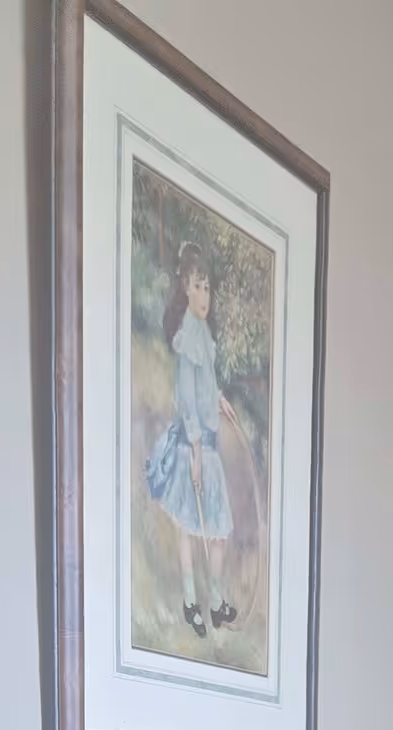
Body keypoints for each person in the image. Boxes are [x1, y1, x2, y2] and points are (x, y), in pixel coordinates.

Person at [143, 242, 240, 641]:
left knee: (217, 532)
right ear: (185, 287)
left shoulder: (202, 333)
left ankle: (215, 603)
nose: (205, 295)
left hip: (207, 446)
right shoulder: (188, 337)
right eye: (198, 286)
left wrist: (220, 399)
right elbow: (185, 398)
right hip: (194, 448)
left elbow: (203, 387)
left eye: (208, 287)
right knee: (190, 527)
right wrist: (197, 454)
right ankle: (191, 603)